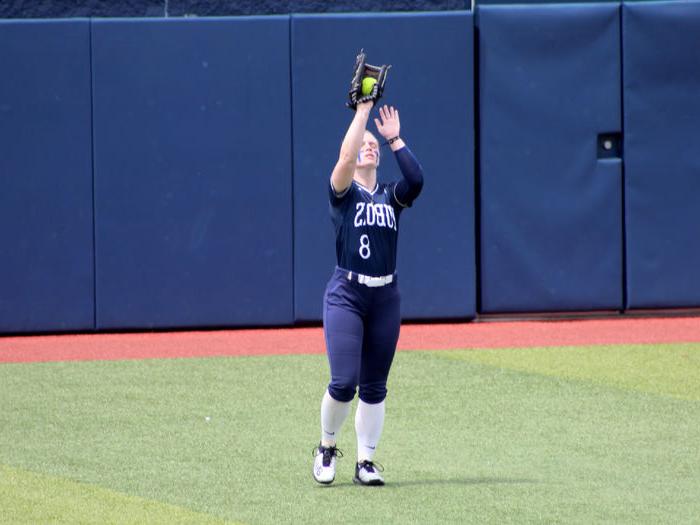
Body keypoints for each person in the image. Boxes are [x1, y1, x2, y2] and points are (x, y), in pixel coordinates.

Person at [312, 101, 424, 486]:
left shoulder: (392, 196)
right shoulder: (344, 194)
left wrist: (393, 138)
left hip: (385, 297)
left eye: (373, 144)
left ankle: (366, 462)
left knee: (375, 386)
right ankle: (327, 447)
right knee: (344, 382)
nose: (369, 146)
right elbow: (346, 155)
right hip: (347, 293)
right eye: (366, 143)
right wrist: (362, 113)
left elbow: (417, 180)